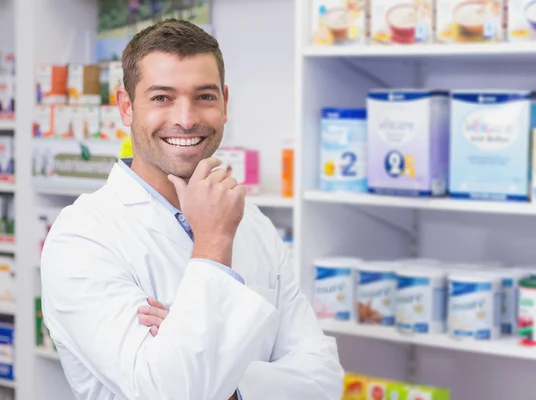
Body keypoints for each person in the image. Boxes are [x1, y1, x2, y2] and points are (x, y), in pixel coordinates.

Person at [40, 18, 344, 400]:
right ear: (126, 107)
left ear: (225, 102)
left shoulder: (253, 222)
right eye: (161, 97)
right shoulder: (83, 237)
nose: (186, 119)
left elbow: (323, 380)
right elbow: (169, 393)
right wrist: (213, 245)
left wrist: (225, 384)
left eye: (204, 96)